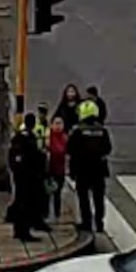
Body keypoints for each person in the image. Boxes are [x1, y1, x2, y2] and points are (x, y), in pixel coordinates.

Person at [67, 99, 112, 233]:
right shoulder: (102, 130)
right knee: (98, 197)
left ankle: (87, 223)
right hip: (98, 169)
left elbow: (70, 149)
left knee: (83, 197)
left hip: (82, 169)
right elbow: (108, 148)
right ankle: (99, 223)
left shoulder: (77, 130)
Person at [8, 113, 47, 241]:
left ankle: (21, 229)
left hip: (24, 176)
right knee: (25, 203)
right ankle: (23, 231)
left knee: (22, 202)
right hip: (26, 176)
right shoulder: (26, 138)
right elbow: (25, 158)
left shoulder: (25, 137)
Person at [46, 116, 68, 222]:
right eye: (56, 123)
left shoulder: (64, 138)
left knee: (57, 193)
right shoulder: (48, 137)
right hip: (49, 169)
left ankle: (57, 214)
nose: (58, 126)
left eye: (60, 123)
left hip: (60, 170)